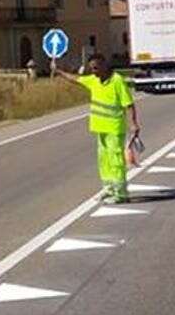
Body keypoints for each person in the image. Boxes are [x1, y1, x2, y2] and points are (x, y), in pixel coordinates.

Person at [53, 52, 141, 204]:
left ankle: (121, 193)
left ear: (104, 65)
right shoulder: (94, 80)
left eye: (96, 68)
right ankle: (108, 188)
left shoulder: (117, 81)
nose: (94, 71)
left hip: (114, 128)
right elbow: (76, 79)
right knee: (103, 160)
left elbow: (129, 104)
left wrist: (133, 123)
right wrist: (59, 71)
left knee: (115, 160)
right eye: (92, 69)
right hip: (100, 128)